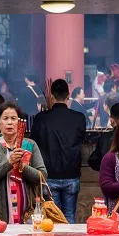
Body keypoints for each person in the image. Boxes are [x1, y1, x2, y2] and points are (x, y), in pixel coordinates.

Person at [0, 101, 47, 223]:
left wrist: (23, 167)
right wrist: (9, 163)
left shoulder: (30, 145)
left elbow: (42, 176)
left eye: (14, 118)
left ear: (20, 124)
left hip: (27, 216)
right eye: (5, 118)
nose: (9, 122)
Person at [31, 79, 86, 224]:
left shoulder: (40, 119)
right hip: (71, 174)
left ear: (51, 97)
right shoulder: (79, 118)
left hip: (48, 175)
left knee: (52, 219)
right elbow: (82, 140)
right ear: (68, 96)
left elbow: (33, 144)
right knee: (69, 217)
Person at [88, 100, 119, 171]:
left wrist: (106, 170)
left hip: (110, 179)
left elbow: (93, 160)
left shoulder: (105, 138)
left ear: (111, 120)